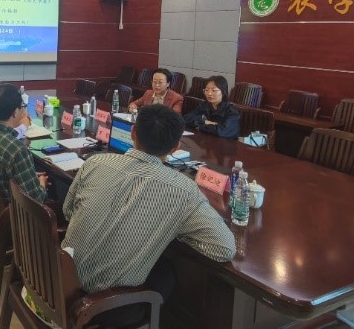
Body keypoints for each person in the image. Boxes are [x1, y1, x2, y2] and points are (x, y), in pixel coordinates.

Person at [62, 104, 235, 326]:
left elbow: (67, 211)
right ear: (175, 147)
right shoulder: (183, 190)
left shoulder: (95, 162)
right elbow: (224, 248)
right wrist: (176, 228)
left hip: (63, 280)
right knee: (165, 272)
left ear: (133, 133)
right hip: (105, 306)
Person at [0, 83, 47, 203]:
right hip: (11, 210)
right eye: (22, 107)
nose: (23, 111)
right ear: (15, 112)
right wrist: (42, 183)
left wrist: (29, 175)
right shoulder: (17, 150)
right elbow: (35, 199)